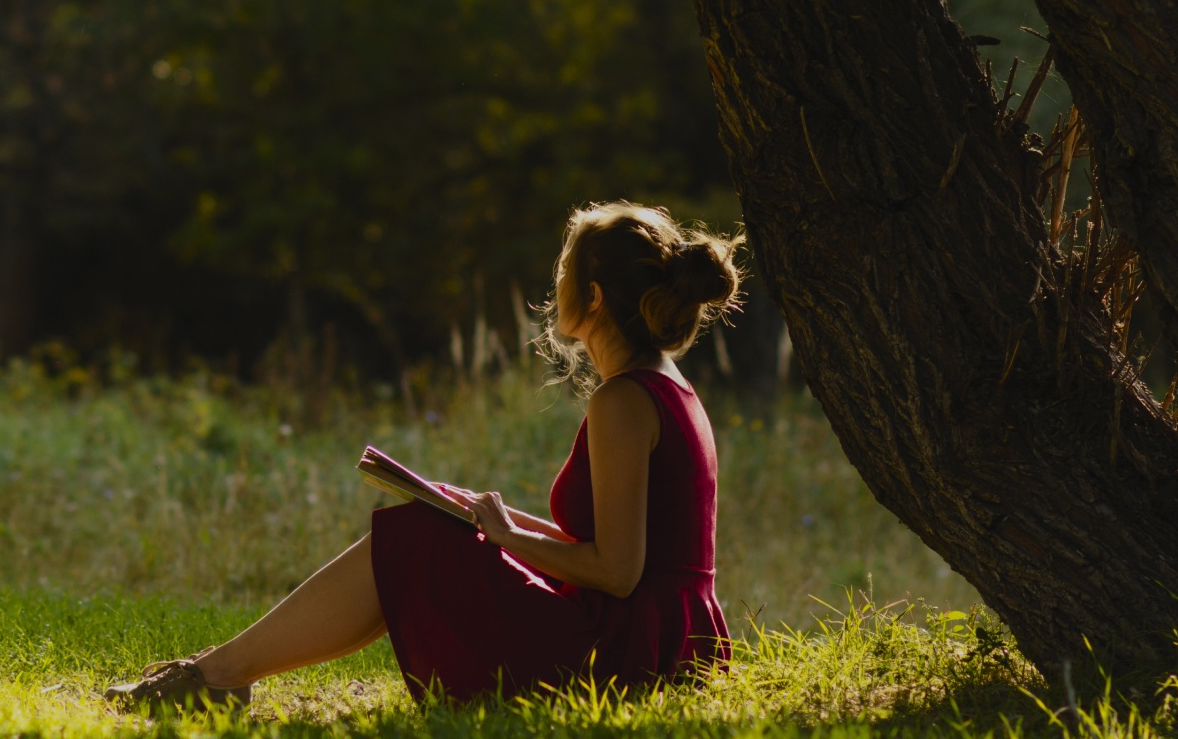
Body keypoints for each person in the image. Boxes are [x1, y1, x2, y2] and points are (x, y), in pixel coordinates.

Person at [103, 201, 742, 708]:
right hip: (655, 639)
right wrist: (498, 523)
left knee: (413, 536)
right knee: (432, 523)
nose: (555, 286)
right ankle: (217, 674)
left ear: (595, 298)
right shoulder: (662, 387)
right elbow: (634, 556)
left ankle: (214, 678)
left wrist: (502, 537)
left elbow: (620, 572)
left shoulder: (624, 402)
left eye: (564, 273)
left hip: (626, 655)